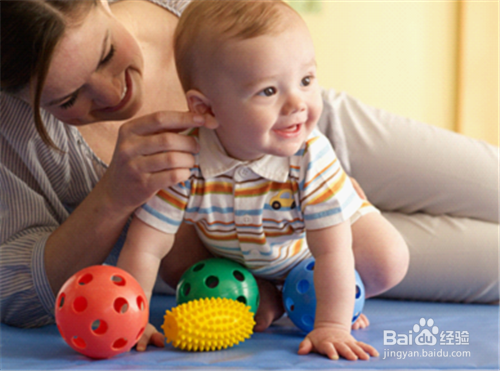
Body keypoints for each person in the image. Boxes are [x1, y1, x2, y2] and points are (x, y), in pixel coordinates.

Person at [1, 0, 497, 355]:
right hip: (252, 241)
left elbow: (278, 31)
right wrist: (113, 199)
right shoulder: (17, 137)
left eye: (107, 53)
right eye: (66, 100)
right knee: (481, 264)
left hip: (312, 154)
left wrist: (310, 137)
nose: (114, 93)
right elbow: (21, 293)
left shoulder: (307, 136)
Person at [117, 0, 407, 361]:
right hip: (240, 255)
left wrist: (332, 324)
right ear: (205, 109)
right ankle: (269, 292)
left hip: (306, 249)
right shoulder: (185, 156)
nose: (297, 103)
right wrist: (135, 317)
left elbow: (332, 250)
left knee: (388, 259)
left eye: (306, 80)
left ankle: (306, 293)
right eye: (269, 91)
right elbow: (146, 245)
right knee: (177, 262)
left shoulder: (310, 155)